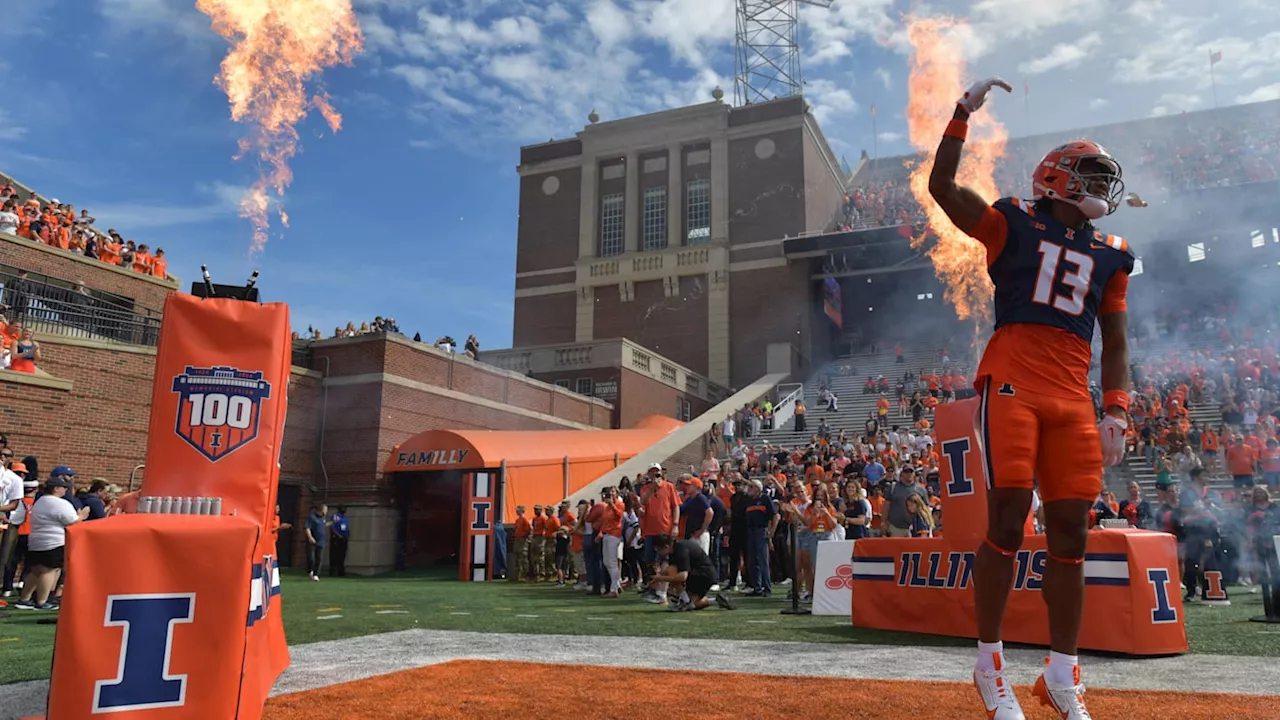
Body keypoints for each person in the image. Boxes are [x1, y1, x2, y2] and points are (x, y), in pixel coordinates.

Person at [929, 76, 1134, 720]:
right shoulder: (1012, 220)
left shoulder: (1112, 256)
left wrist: (1118, 408)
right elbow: (941, 189)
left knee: (1073, 529)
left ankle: (1061, 674)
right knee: (1010, 517)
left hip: (1074, 395)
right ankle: (989, 664)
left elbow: (1117, 341)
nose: (1102, 188)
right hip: (1013, 379)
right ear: (1058, 178)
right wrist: (961, 115)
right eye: (1091, 176)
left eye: (1105, 178)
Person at [648, 533, 735, 612]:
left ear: (666, 546)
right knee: (693, 604)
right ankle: (715, 601)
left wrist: (661, 578)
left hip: (703, 575)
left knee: (672, 570)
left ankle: (684, 601)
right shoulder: (675, 549)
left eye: (659, 549)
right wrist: (655, 580)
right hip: (703, 574)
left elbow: (682, 577)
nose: (658, 553)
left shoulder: (680, 549)